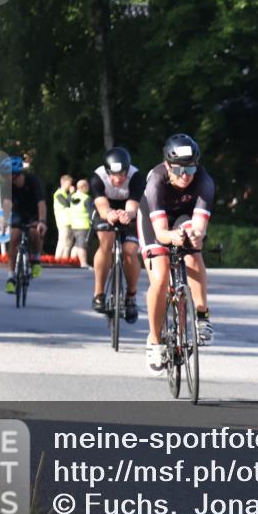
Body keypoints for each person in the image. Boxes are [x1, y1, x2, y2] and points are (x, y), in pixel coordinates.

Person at [138, 134, 216, 373]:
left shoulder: (204, 181)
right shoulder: (156, 182)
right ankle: (154, 339)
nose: (186, 175)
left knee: (194, 251)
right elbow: (161, 233)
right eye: (180, 169)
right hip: (155, 223)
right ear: (167, 166)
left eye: (191, 167)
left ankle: (201, 314)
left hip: (184, 217)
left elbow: (200, 226)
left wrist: (194, 235)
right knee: (160, 278)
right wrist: (171, 237)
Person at [90, 147, 144, 324]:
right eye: (113, 175)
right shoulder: (97, 177)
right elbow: (102, 206)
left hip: (129, 210)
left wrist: (127, 215)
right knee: (106, 242)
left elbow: (133, 205)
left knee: (130, 250)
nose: (118, 178)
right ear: (107, 172)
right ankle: (99, 293)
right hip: (106, 209)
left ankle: (131, 296)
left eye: (122, 174)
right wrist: (110, 215)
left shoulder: (136, 177)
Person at [0, 156, 48, 293]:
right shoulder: (8, 185)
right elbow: (7, 203)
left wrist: (42, 222)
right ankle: (10, 278)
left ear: (16, 174)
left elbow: (41, 203)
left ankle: (36, 260)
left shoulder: (33, 181)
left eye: (9, 176)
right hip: (18, 213)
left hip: (34, 213)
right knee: (14, 238)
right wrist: (4, 221)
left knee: (35, 232)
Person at [69, 179, 94, 269]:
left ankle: (72, 261)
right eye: (87, 186)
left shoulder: (73, 197)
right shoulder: (86, 198)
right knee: (82, 245)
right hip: (83, 224)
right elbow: (91, 212)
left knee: (76, 244)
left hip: (74, 224)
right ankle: (83, 263)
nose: (88, 188)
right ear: (84, 187)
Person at [53, 175, 75, 259]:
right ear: (63, 183)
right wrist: (72, 193)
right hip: (63, 221)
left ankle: (65, 260)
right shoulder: (58, 194)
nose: (70, 186)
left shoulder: (65, 194)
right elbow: (67, 203)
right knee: (62, 241)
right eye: (68, 184)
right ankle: (57, 259)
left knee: (69, 242)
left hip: (70, 221)